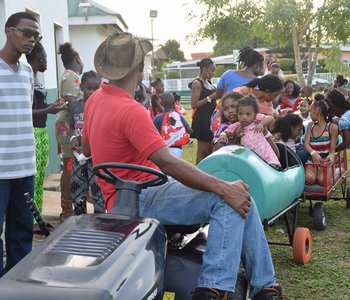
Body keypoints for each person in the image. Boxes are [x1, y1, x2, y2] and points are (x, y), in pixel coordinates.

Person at [83, 32, 283, 300]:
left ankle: (266, 287)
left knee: (239, 196)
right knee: (227, 198)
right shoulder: (131, 111)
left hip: (118, 197)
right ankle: (216, 288)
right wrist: (223, 187)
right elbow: (168, 163)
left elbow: (86, 149)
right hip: (145, 196)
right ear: (140, 67)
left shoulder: (95, 100)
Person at [0, 12, 41, 275]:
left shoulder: (28, 72)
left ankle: (16, 287)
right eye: (26, 33)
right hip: (0, 169)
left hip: (25, 167)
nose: (31, 40)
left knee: (22, 235)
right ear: (8, 30)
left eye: (36, 36)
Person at [26, 41, 65, 230]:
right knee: (33, 178)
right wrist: (49, 109)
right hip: (32, 132)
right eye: (46, 58)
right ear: (40, 58)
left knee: (40, 176)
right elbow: (24, 111)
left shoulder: (36, 78)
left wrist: (52, 107)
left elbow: (39, 107)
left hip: (42, 131)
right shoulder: (27, 78)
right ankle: (30, 220)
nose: (47, 62)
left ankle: (37, 218)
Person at [55, 42, 84, 221]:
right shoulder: (71, 76)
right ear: (76, 59)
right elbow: (73, 105)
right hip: (68, 126)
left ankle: (70, 205)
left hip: (67, 126)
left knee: (72, 165)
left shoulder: (69, 75)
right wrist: (76, 132)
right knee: (68, 167)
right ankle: (66, 209)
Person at [69, 71, 105, 215]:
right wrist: (73, 139)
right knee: (77, 189)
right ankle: (79, 221)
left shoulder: (102, 107)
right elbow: (71, 128)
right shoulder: (76, 107)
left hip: (95, 158)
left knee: (98, 189)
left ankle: (101, 221)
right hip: (79, 157)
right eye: (88, 88)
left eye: (96, 88)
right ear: (81, 88)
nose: (92, 92)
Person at [218, 96, 281, 168]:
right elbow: (227, 131)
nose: (244, 117)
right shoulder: (238, 125)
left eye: (248, 114)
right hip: (252, 161)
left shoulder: (256, 121)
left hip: (266, 157)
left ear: (255, 114)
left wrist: (262, 124)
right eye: (240, 114)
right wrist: (223, 134)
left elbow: (270, 118)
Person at [189, 58, 217, 164]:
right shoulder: (197, 83)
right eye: (211, 70)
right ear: (204, 69)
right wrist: (210, 97)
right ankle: (198, 175)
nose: (213, 73)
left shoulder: (208, 82)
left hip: (210, 119)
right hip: (202, 120)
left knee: (210, 150)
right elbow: (194, 104)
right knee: (202, 151)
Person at [304, 100, 338, 185]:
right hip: (312, 160)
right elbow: (306, 144)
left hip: (325, 161)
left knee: (323, 181)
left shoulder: (332, 127)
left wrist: (331, 157)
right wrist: (313, 153)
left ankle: (333, 169)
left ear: (317, 110)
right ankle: (316, 173)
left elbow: (332, 150)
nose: (310, 114)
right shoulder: (310, 126)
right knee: (309, 179)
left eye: (310, 111)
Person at [153, 93, 192, 158]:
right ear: (173, 102)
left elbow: (153, 133)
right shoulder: (179, 116)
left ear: (161, 103)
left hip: (163, 149)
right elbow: (190, 131)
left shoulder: (158, 118)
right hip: (177, 149)